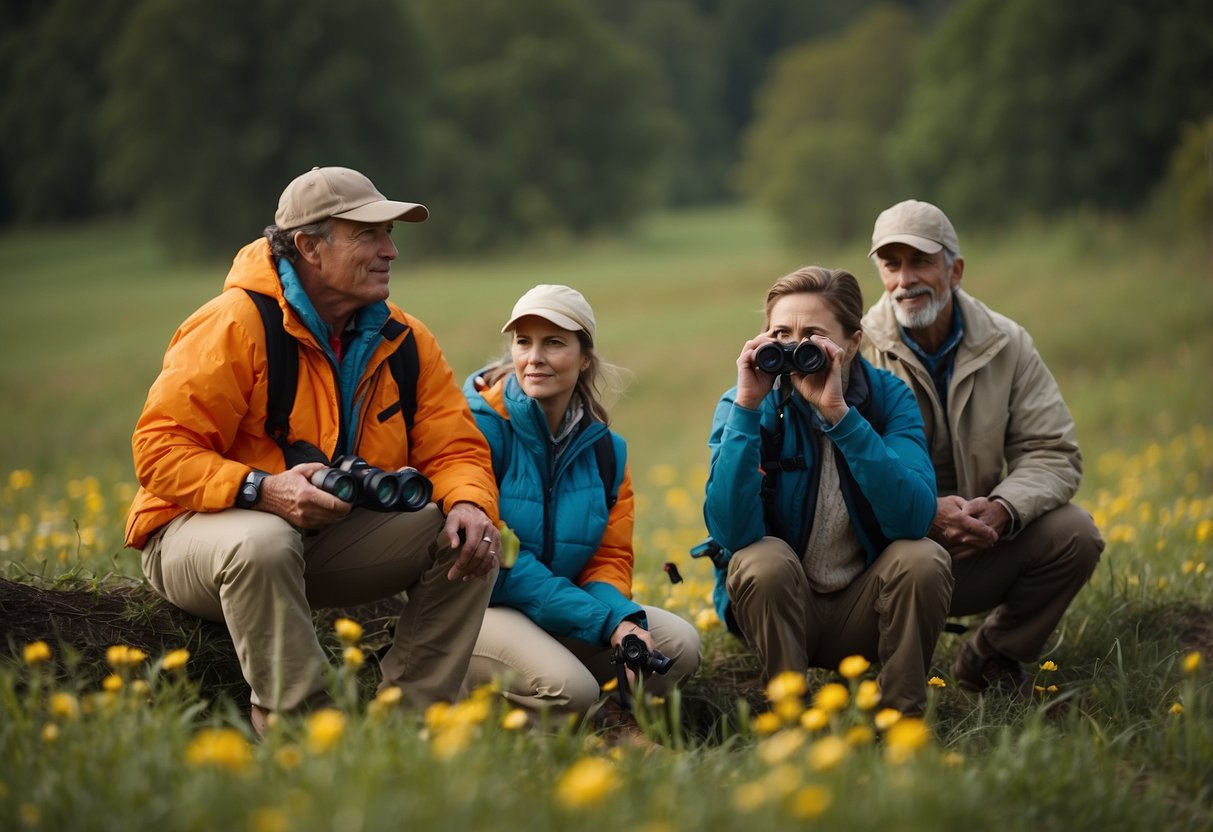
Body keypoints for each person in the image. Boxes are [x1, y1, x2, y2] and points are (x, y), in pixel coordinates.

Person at [125, 166, 501, 733]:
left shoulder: (405, 337)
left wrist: (471, 503)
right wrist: (262, 489)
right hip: (195, 537)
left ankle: (409, 731)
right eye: (369, 235)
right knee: (265, 539)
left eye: (390, 234)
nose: (391, 251)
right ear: (308, 247)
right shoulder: (234, 323)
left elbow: (455, 448)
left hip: (313, 544)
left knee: (464, 536)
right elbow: (158, 450)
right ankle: (301, 730)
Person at [862, 199, 1104, 694]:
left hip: (980, 539)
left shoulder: (1008, 343)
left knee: (1076, 534)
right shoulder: (856, 348)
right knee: (913, 563)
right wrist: (926, 513)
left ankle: (990, 655)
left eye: (921, 261)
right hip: (886, 554)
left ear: (956, 271)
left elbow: (1053, 451)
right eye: (892, 264)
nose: (905, 279)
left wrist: (1001, 509)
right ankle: (879, 675)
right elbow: (838, 473)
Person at [701, 266, 950, 716]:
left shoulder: (888, 399)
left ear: (853, 343)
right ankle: (790, 715)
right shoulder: (743, 403)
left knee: (923, 558)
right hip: (782, 607)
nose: (793, 348)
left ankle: (901, 718)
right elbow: (731, 533)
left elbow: (913, 519)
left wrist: (841, 417)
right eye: (780, 333)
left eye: (812, 335)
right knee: (762, 559)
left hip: (865, 609)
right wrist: (747, 411)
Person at [462, 284, 700, 734]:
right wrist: (604, 621)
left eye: (553, 342)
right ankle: (493, 723)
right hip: (478, 608)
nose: (534, 356)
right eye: (523, 341)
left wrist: (623, 619)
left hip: (558, 609)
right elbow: (503, 564)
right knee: (572, 688)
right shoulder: (478, 429)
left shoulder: (607, 452)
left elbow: (607, 560)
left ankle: (607, 718)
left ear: (584, 356)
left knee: (680, 645)